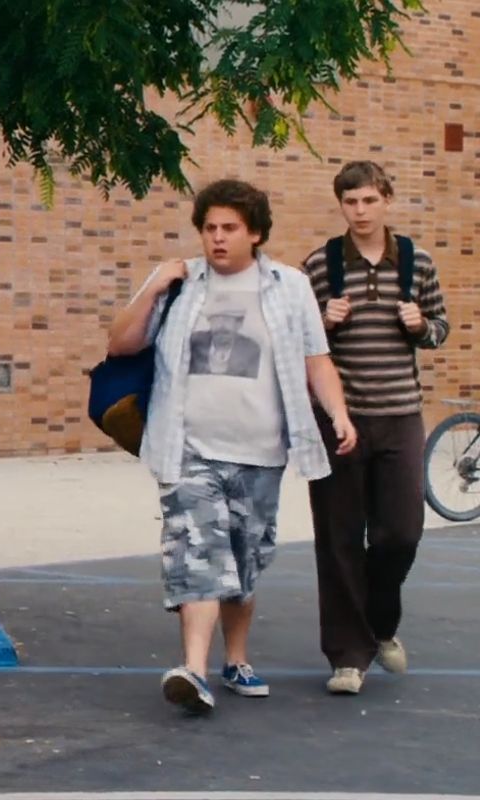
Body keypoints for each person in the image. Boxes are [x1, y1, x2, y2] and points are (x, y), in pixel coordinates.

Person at [106, 178, 357, 714]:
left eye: (229, 229)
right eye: (209, 228)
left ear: (255, 233)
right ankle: (193, 671)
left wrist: (336, 412)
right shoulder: (179, 283)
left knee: (243, 561)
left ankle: (235, 658)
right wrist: (153, 288)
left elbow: (316, 360)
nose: (217, 239)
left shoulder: (289, 287)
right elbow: (120, 342)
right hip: (187, 447)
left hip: (261, 451)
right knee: (198, 553)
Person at [302, 161, 450, 696]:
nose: (360, 211)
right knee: (338, 537)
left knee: (401, 532)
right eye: (350, 202)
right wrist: (324, 321)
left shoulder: (417, 262)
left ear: (386, 199)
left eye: (368, 200)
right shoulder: (320, 265)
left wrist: (421, 326)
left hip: (401, 416)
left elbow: (440, 327)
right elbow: (297, 340)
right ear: (340, 205)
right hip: (340, 418)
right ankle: (347, 657)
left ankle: (381, 623)